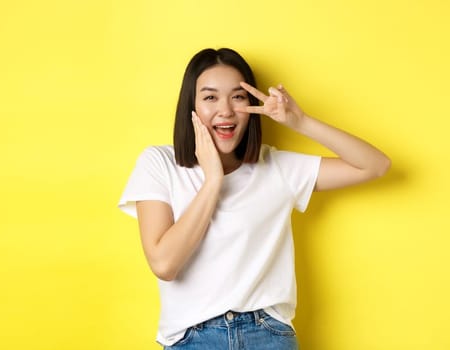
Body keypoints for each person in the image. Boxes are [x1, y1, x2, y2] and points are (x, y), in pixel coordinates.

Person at [116, 48, 390, 349]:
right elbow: (165, 263)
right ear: (190, 107)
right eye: (210, 97)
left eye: (238, 96)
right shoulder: (159, 163)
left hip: (267, 335)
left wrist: (300, 122)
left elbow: (375, 165)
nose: (226, 110)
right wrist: (213, 180)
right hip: (192, 339)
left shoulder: (276, 167)